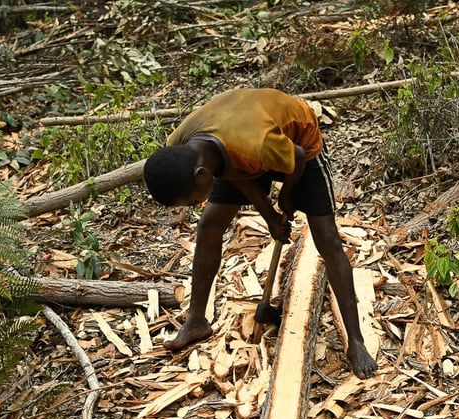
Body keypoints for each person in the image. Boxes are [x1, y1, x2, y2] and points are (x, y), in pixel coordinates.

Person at [143, 87, 377, 377]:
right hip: (237, 145)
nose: (196, 204)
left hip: (297, 144)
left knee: (327, 239)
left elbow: (298, 159)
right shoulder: (179, 145)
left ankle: (355, 339)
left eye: (193, 200)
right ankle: (196, 321)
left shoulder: (257, 144)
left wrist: (287, 197)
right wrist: (269, 216)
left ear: (200, 175)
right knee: (208, 225)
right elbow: (235, 172)